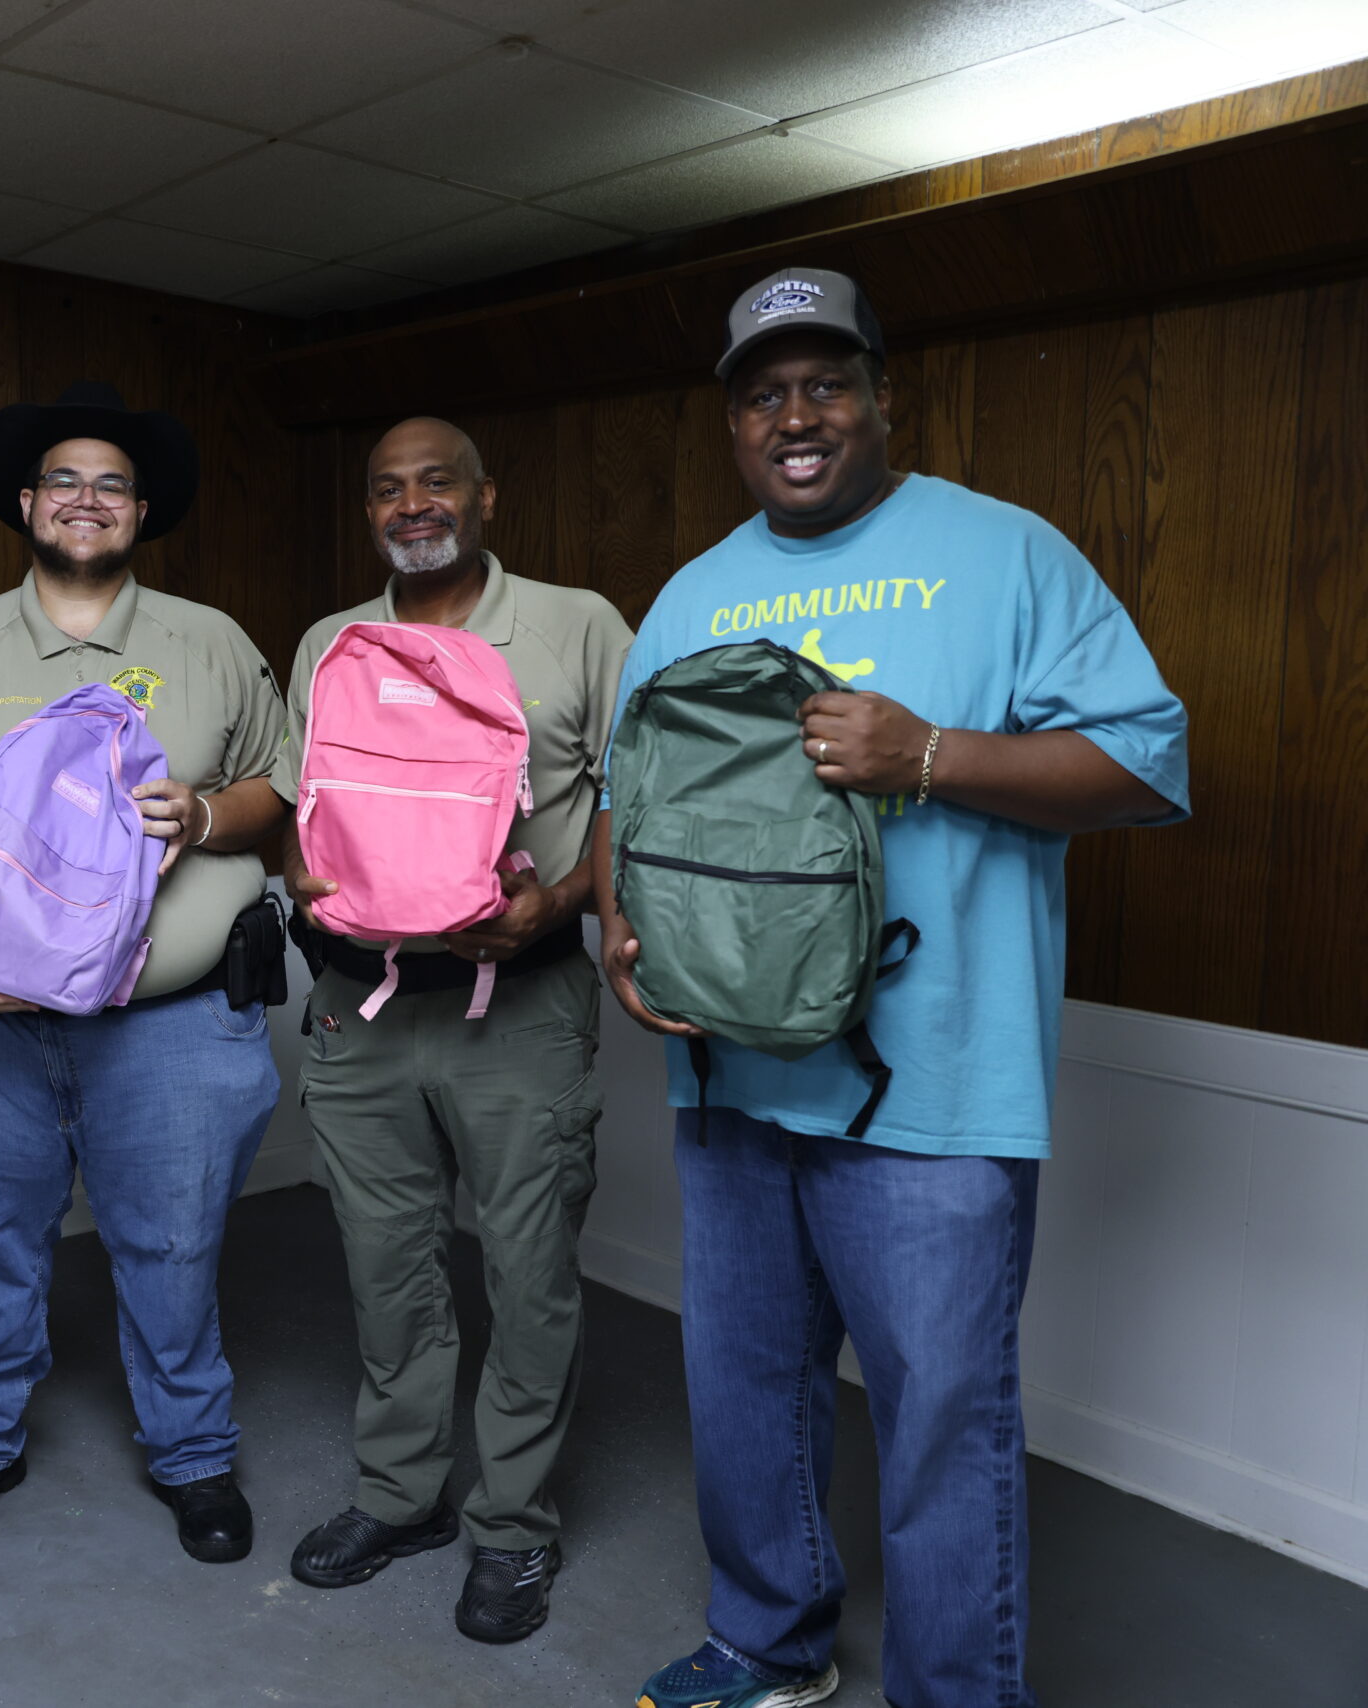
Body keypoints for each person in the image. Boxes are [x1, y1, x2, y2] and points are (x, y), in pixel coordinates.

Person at [605, 270, 1190, 1708]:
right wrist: (624, 937)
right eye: (763, 392)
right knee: (744, 1392)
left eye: (825, 382)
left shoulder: (1006, 555)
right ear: (733, 422)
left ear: (881, 396)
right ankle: (768, 1642)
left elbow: (1145, 767)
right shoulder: (692, 591)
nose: (795, 415)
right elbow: (629, 798)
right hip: (732, 1074)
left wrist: (928, 754)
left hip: (936, 1083)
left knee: (943, 1423)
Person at [0, 381, 289, 1562]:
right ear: (24, 502)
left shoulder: (210, 642)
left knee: (171, 1242)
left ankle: (193, 1457)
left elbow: (279, 791)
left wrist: (202, 813)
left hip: (168, 1025)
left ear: (140, 510)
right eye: (63, 479)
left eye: (110, 482)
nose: (84, 500)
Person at [274, 419, 633, 1644]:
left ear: (486, 494)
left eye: (436, 482)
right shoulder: (330, 640)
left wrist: (562, 901)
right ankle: (400, 1498)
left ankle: (515, 1528)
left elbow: (637, 803)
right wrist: (299, 876)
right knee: (389, 1273)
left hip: (518, 1004)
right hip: (359, 1006)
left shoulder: (578, 625)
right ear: (366, 509)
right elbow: (298, 802)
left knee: (526, 1276)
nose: (412, 503)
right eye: (386, 487)